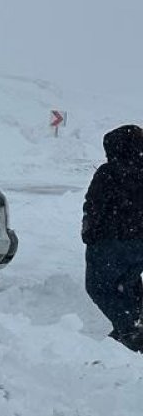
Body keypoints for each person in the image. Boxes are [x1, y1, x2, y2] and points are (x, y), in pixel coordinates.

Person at [82, 124, 143, 351]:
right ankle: (128, 328)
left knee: (98, 287)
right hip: (139, 244)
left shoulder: (109, 172)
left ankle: (130, 329)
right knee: (128, 285)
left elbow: (94, 206)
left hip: (109, 241)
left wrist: (89, 233)